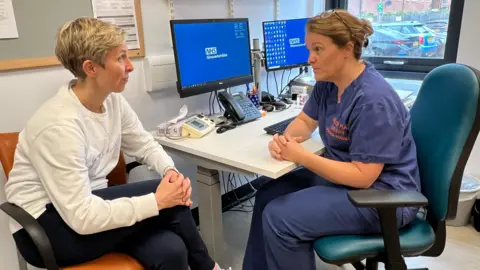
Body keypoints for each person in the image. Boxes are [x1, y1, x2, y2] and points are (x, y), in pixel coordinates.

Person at [5, 17, 227, 270]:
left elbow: (144, 144)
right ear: (91, 68)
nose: (130, 66)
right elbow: (82, 216)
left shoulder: (112, 102)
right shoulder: (58, 126)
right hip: (47, 228)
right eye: (121, 58)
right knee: (164, 198)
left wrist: (170, 173)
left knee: (171, 250)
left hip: (93, 206)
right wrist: (158, 200)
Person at [243, 9, 421, 270]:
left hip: (384, 197)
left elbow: (363, 176)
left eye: (318, 49)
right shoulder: (329, 82)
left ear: (347, 49)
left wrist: (302, 156)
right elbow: (305, 121)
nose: (310, 58)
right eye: (309, 49)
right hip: (346, 180)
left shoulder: (373, 100)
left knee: (281, 218)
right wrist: (285, 140)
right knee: (267, 195)